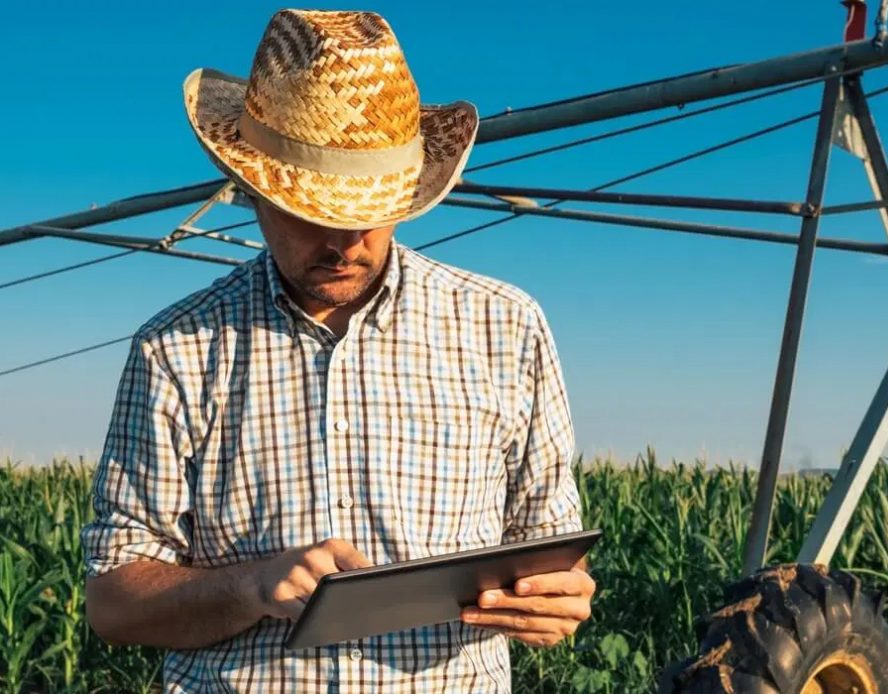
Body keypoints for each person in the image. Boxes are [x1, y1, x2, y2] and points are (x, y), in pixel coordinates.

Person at [80, 8, 595, 692]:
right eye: (312, 210)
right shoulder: (177, 350)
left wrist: (559, 598)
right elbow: (115, 603)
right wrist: (252, 587)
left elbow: (553, 550)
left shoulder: (506, 326)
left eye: (370, 209)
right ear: (254, 191)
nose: (346, 240)